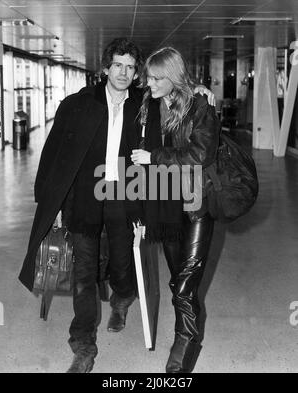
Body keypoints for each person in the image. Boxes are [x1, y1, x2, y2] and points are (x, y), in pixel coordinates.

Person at [18, 37, 154, 373]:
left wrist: (203, 95)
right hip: (84, 196)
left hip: (125, 194)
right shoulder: (78, 104)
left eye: (130, 66)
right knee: (84, 272)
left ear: (136, 72)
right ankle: (82, 345)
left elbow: (179, 99)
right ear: (106, 68)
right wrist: (50, 199)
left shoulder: (146, 105)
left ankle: (122, 299)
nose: (123, 72)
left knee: (123, 261)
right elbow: (54, 153)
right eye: (117, 65)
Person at [131, 47, 220, 373]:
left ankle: (183, 349)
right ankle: (188, 327)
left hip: (196, 204)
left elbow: (200, 155)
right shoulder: (148, 104)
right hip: (165, 206)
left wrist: (154, 157)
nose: (149, 84)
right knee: (177, 282)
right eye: (148, 78)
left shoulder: (200, 106)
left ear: (172, 77)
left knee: (185, 283)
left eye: (156, 78)